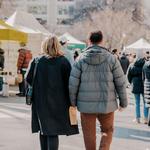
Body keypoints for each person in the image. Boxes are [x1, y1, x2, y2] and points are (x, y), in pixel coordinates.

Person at [69, 30, 128, 150]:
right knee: (107, 131)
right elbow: (121, 82)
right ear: (102, 41)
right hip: (107, 104)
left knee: (88, 135)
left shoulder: (80, 59)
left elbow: (73, 84)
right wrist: (123, 103)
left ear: (89, 41)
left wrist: (72, 103)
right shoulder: (112, 59)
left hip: (85, 106)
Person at [25, 36, 79, 150]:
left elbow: (28, 78)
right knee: (53, 131)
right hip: (59, 101)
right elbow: (70, 82)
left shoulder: (37, 60)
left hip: (40, 101)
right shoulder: (63, 61)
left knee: (43, 129)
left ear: (44, 46)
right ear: (57, 46)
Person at [127, 57, 149, 124]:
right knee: (145, 102)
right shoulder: (145, 66)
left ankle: (138, 118)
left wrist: (131, 82)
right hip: (143, 85)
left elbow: (129, 76)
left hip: (135, 85)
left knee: (137, 103)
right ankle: (146, 119)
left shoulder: (132, 66)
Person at [142, 61, 150, 126]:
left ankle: (145, 119)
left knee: (146, 103)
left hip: (146, 84)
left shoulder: (145, 65)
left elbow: (143, 77)